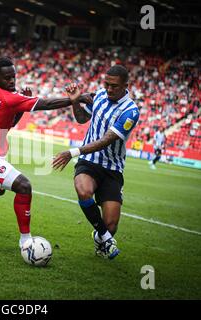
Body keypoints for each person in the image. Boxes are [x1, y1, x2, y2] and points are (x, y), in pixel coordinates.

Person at [0, 56, 86, 248]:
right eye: (7, 78)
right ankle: (25, 241)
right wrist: (77, 98)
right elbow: (46, 105)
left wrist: (20, 107)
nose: (12, 81)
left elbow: (8, 124)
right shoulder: (8, 97)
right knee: (24, 186)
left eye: (14, 77)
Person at [52, 65, 140, 260]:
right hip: (89, 162)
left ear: (126, 86)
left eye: (114, 86)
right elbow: (82, 119)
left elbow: (106, 140)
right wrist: (75, 102)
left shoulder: (130, 111)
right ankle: (107, 239)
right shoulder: (99, 95)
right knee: (83, 190)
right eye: (106, 84)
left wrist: (72, 152)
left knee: (110, 225)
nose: (108, 89)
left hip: (112, 169)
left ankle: (102, 235)